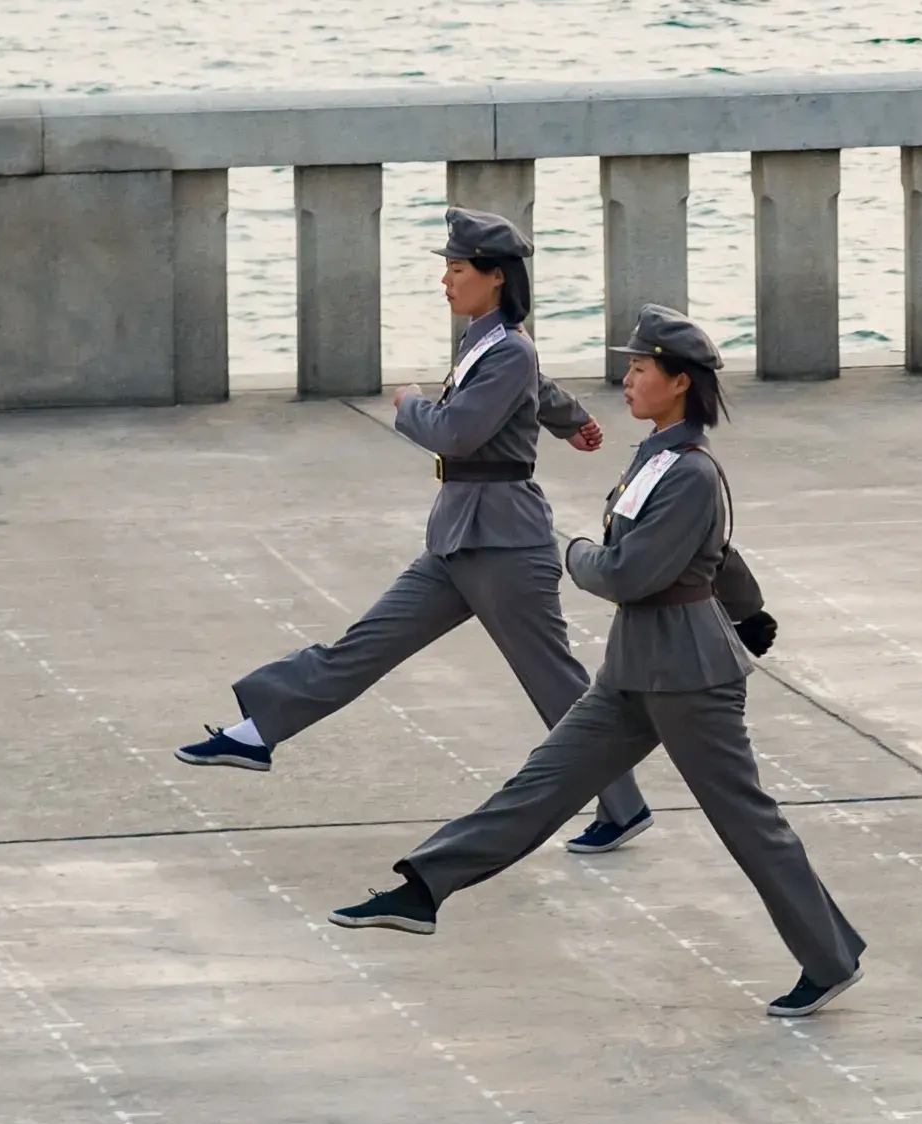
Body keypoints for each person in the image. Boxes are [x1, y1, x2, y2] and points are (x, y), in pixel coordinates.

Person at [326, 311, 866, 1021]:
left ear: (680, 383)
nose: (629, 378)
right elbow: (714, 552)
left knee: (747, 822)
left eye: (642, 369)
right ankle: (423, 890)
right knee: (543, 782)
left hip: (690, 677)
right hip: (635, 671)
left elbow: (630, 572)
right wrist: (748, 605)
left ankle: (830, 958)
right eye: (631, 365)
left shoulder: (691, 472)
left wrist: (573, 552)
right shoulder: (659, 458)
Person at [177, 209, 651, 857]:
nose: (445, 283)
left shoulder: (506, 346)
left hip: (506, 545)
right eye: (447, 270)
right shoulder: (488, 340)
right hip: (460, 538)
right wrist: (572, 420)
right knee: (364, 645)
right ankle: (258, 732)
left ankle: (622, 806)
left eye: (457, 271)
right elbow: (533, 388)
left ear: (494, 278)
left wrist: (409, 406)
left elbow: (458, 431)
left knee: (556, 684)